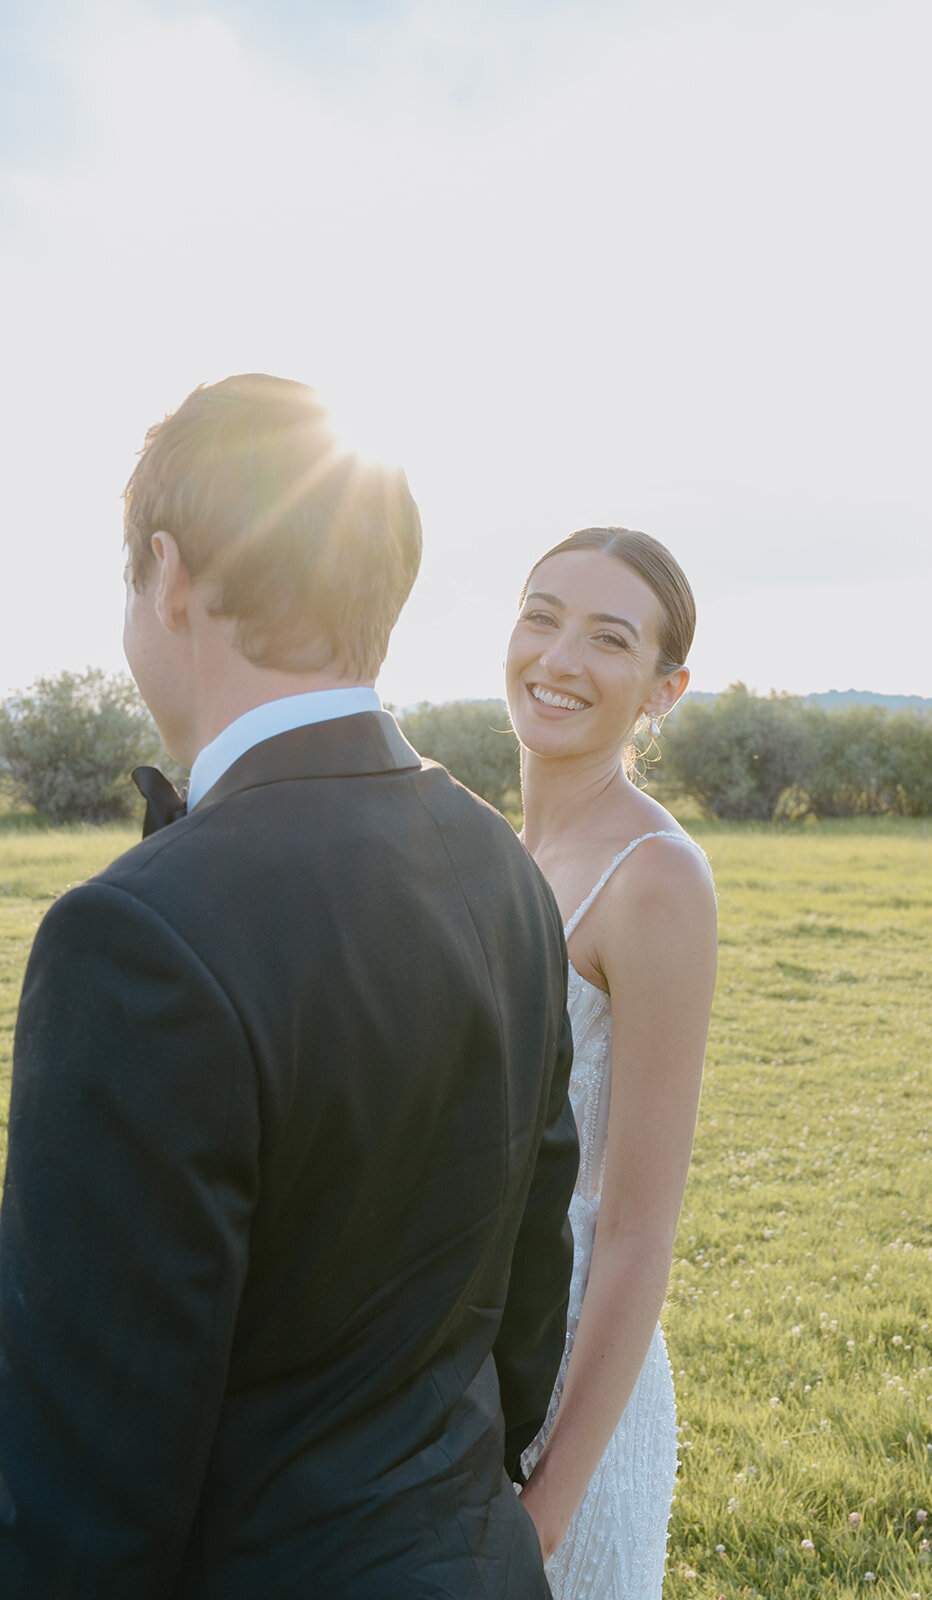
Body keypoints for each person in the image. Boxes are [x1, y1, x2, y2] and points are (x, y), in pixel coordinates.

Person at [0, 374, 578, 1599]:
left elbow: (85, 1486)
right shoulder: (502, 868)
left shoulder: (132, 937)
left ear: (170, 575)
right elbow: (526, 1312)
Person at [505, 527, 718, 1599]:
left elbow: (637, 1229)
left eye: (606, 637)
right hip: (474, 1370)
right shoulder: (506, 851)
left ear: (659, 689)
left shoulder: (656, 880)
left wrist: (545, 1509)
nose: (556, 657)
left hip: (579, 1393)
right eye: (540, 615)